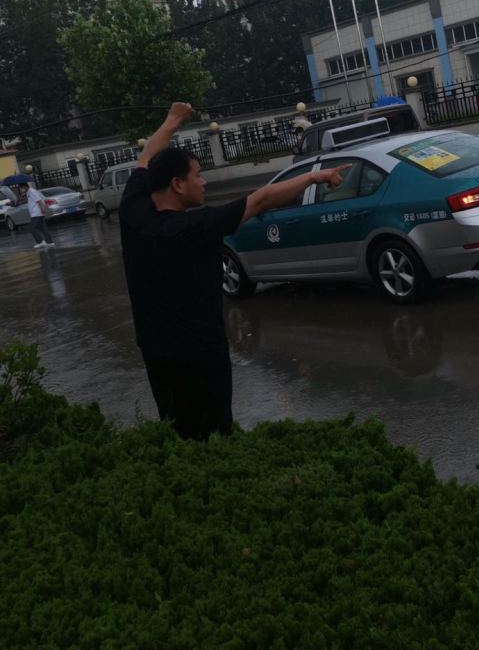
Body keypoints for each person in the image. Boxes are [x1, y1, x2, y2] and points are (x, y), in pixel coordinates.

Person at [119, 102, 349, 441]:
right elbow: (260, 201)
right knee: (214, 433)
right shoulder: (194, 226)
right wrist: (315, 176)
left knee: (176, 428)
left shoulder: (133, 210)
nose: (204, 182)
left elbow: (144, 158)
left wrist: (171, 121)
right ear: (177, 184)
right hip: (201, 356)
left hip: (156, 352)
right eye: (197, 174)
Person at [25, 181, 55, 249]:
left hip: (36, 213)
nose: (21, 190)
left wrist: (42, 209)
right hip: (37, 213)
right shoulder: (29, 192)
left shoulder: (31, 191)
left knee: (32, 228)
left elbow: (39, 200)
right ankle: (50, 242)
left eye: (21, 188)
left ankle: (40, 242)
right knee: (43, 228)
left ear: (24, 187)